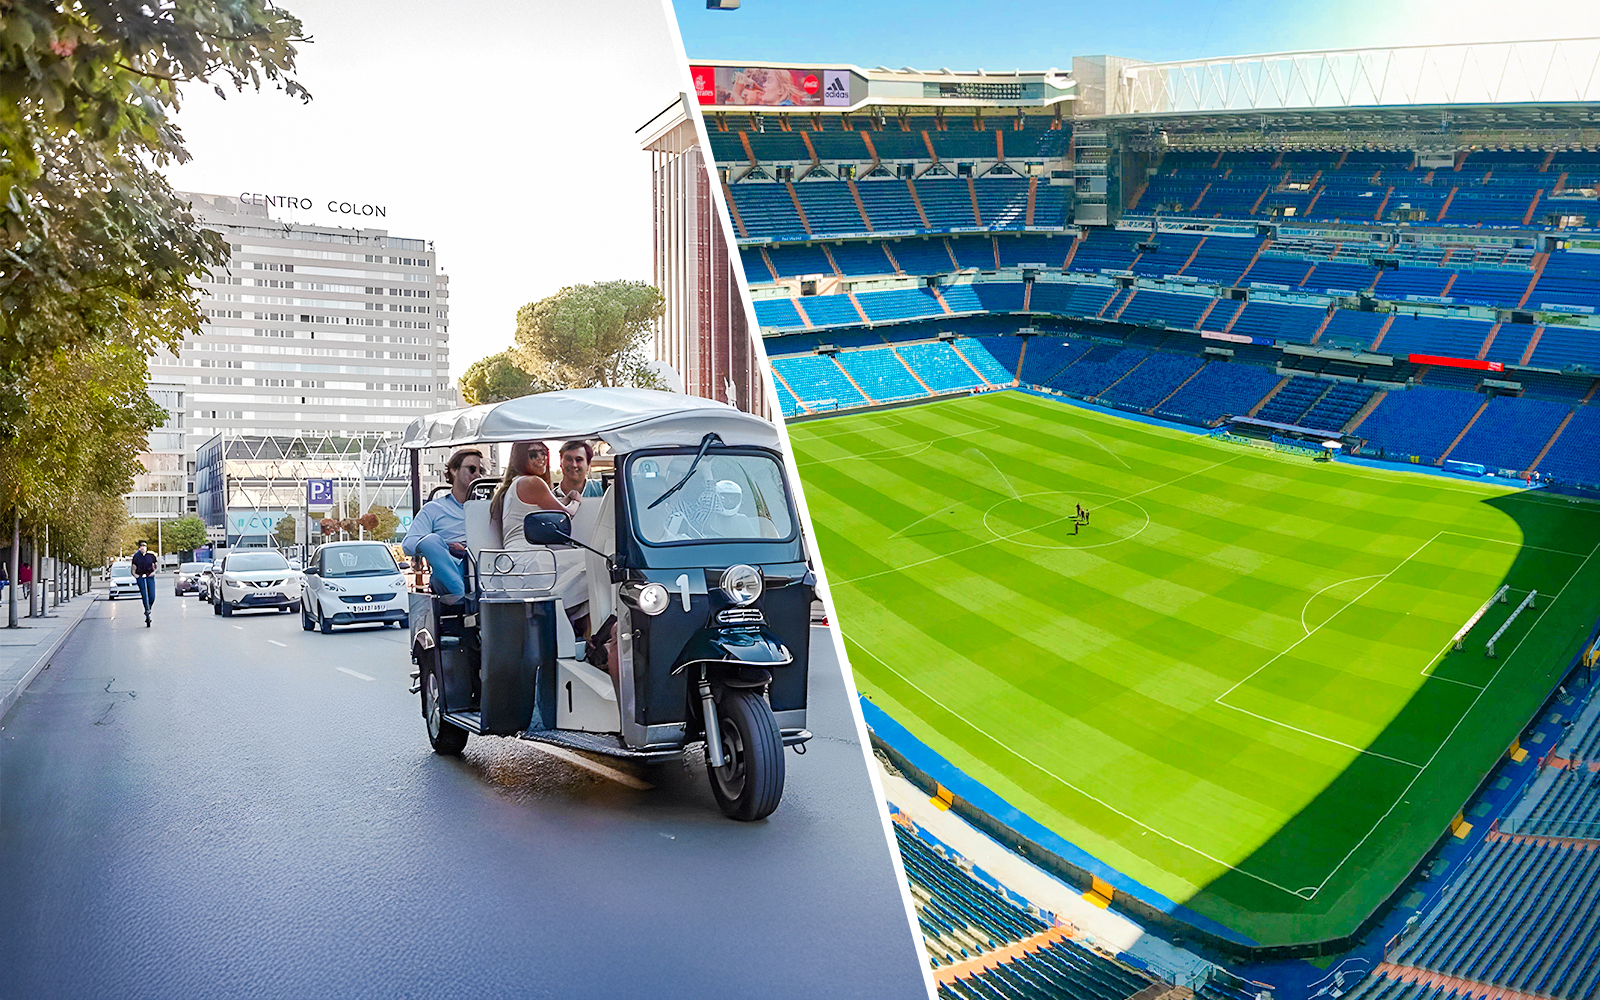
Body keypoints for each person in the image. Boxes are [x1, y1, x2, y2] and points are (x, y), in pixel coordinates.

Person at [402, 448, 485, 598]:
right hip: (449, 566)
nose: (477, 475)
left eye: (480, 471)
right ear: (454, 470)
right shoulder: (434, 508)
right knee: (430, 541)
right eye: (472, 469)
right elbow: (408, 544)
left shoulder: (487, 507)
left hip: (481, 567)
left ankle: (464, 596)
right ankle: (462, 596)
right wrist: (446, 546)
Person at [555, 440, 605, 508]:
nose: (574, 465)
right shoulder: (551, 498)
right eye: (569, 459)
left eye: (578, 460)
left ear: (588, 465)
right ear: (561, 463)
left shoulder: (603, 489)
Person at [130, 540, 158, 626]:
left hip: (149, 576)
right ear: (139, 548)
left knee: (152, 596)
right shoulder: (136, 557)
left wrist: (153, 572)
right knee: (144, 594)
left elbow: (155, 566)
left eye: (144, 546)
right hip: (141, 577)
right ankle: (147, 609)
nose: (143, 547)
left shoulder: (151, 556)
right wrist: (136, 575)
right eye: (141, 546)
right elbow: (133, 569)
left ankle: (149, 607)